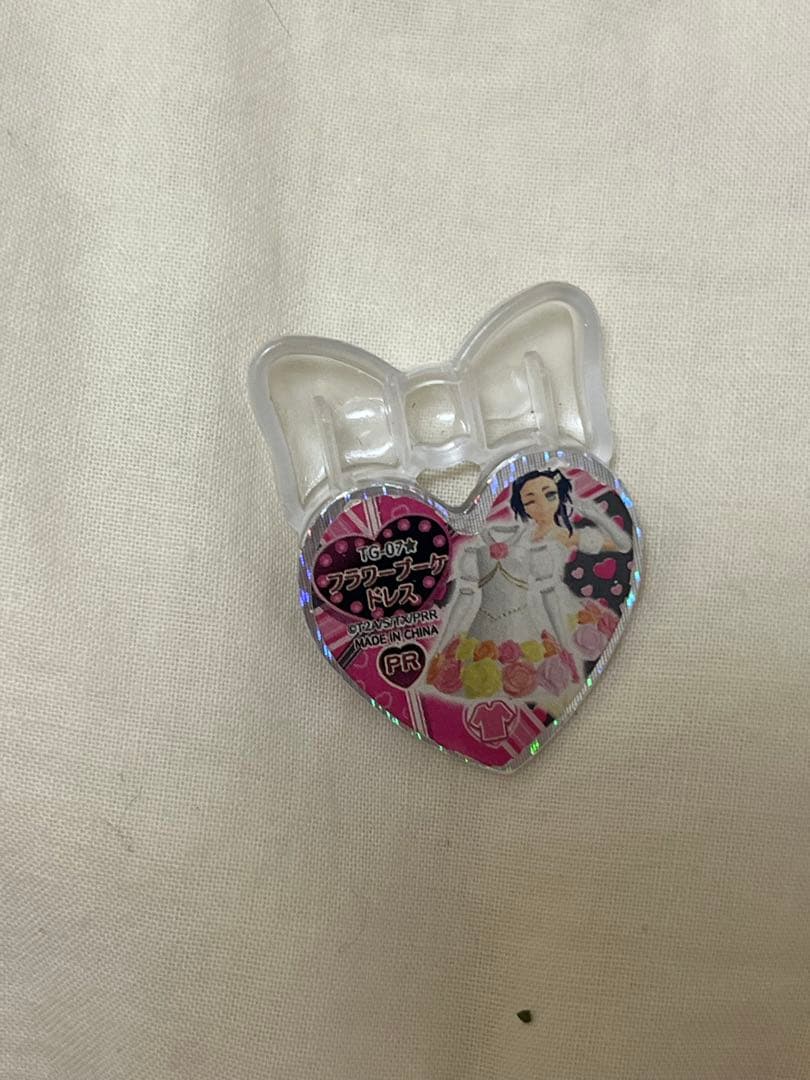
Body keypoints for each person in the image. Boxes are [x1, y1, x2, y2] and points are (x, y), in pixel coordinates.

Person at [426, 469, 631, 704]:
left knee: (548, 667)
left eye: (550, 495)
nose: (542, 506)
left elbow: (623, 545)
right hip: (510, 606)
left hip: (554, 606)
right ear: (521, 506)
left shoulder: (563, 534)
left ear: (560, 495)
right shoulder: (518, 534)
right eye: (531, 501)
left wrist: (597, 516)